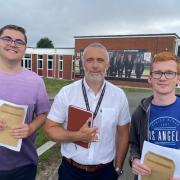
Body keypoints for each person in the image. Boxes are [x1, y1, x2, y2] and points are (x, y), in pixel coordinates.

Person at [45, 42, 131, 180]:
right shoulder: (67, 93)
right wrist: (77, 136)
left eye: (100, 60)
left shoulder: (118, 95)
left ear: (107, 65)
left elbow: (123, 134)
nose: (95, 65)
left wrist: (118, 167)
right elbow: (50, 129)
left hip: (105, 173)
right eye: (90, 60)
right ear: (82, 64)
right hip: (71, 172)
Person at [0, 25, 50, 180]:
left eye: (19, 41)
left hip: (23, 166)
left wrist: (31, 127)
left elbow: (44, 113)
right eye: (7, 39)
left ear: (25, 48)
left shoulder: (36, 81)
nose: (13, 44)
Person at [129, 51, 180, 180]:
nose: (162, 78)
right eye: (157, 73)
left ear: (178, 78)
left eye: (169, 73)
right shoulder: (140, 112)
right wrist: (134, 160)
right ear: (150, 78)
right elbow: (134, 144)